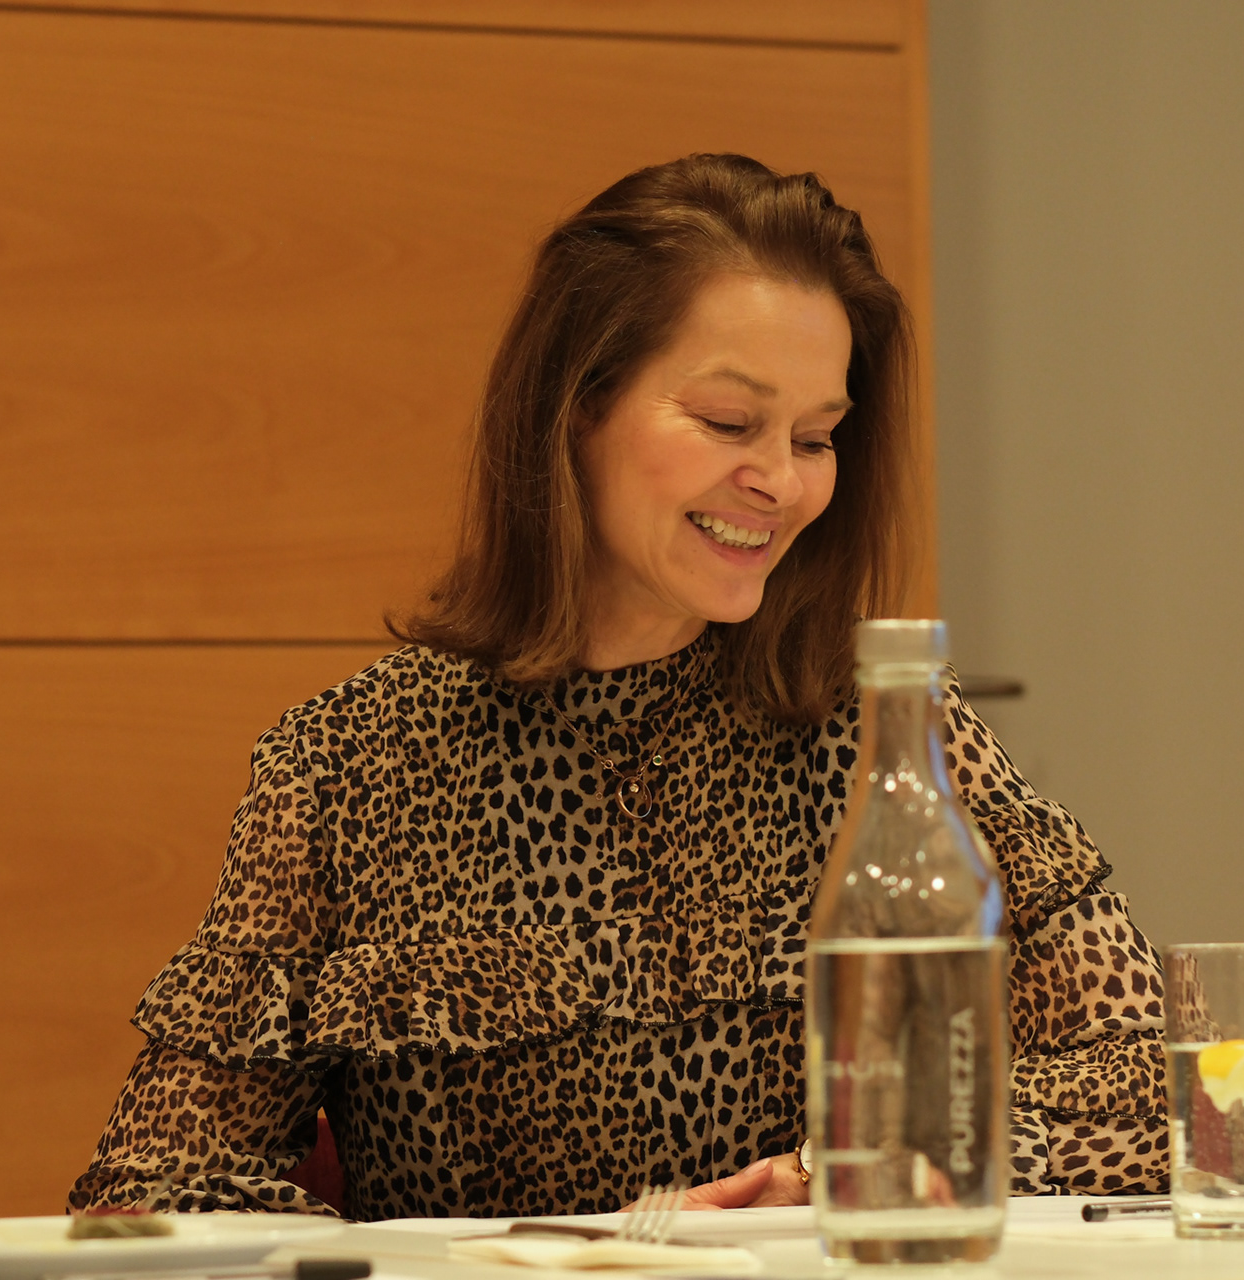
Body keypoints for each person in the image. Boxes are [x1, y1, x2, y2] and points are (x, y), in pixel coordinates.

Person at [70, 153, 1167, 1221]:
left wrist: (835, 1168)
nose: (780, 483)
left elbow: (1144, 1089)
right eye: (728, 423)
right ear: (577, 406)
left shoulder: (881, 725)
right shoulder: (351, 763)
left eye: (816, 437)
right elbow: (160, 1185)